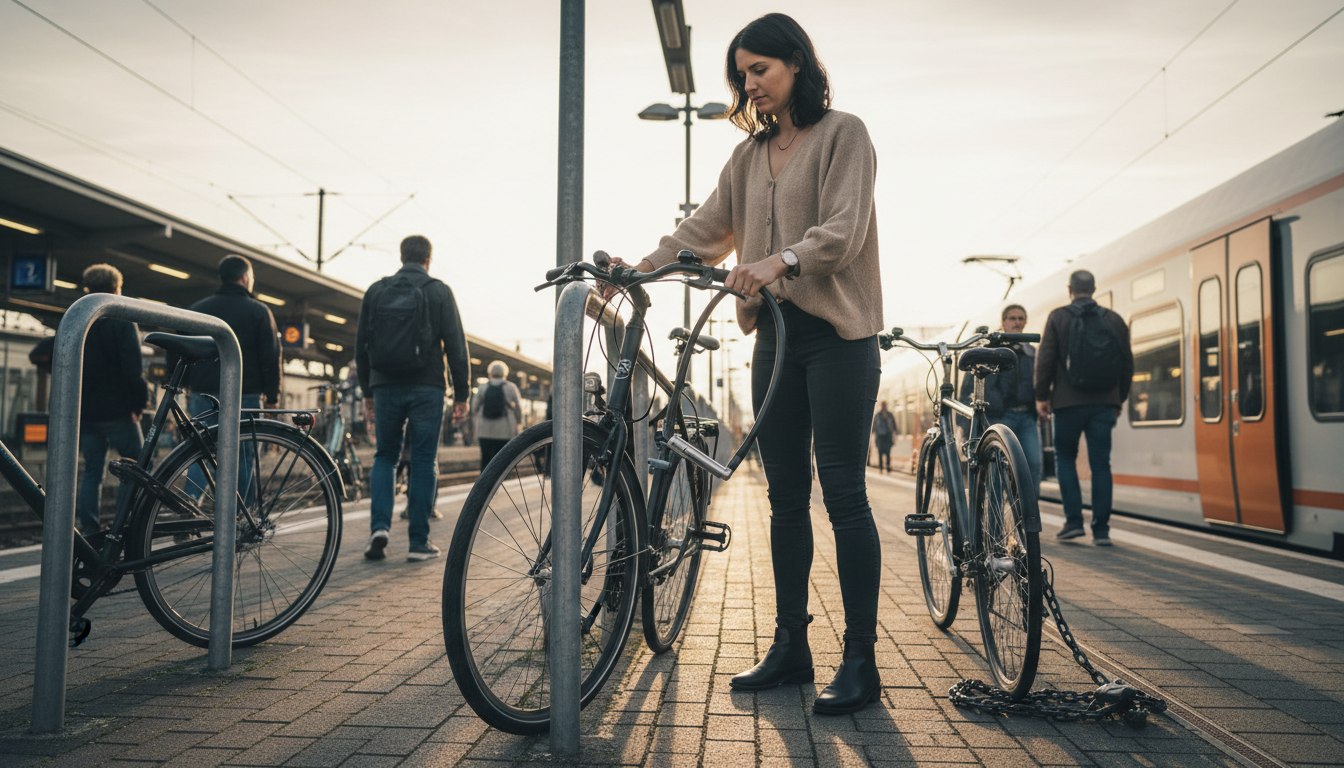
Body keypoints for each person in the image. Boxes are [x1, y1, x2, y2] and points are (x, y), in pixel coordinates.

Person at [614, 13, 883, 714]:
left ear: (797, 63)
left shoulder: (843, 135)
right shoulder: (747, 156)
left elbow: (844, 231)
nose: (749, 84)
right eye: (741, 74)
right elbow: (702, 232)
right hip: (776, 337)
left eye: (759, 68)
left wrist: (777, 260)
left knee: (845, 494)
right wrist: (636, 271)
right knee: (784, 497)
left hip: (839, 336)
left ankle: (861, 660)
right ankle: (792, 646)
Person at [356, 235, 470, 562]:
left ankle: (379, 529)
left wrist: (367, 391)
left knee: (385, 456)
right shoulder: (438, 290)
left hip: (385, 386)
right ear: (428, 259)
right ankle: (418, 542)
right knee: (422, 460)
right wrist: (461, 393)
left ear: (402, 255)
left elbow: (360, 345)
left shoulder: (376, 291)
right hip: (427, 387)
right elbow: (456, 347)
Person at [1035, 270, 1133, 546]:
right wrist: (1119, 398)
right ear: (1094, 288)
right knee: (1101, 465)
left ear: (1070, 289)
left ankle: (1073, 523)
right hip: (1104, 403)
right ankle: (1101, 531)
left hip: (1067, 403)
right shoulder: (1114, 319)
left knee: (1066, 459)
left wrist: (1042, 396)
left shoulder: (1058, 317)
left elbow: (1045, 359)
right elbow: (1127, 363)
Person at [181, 254, 283, 503]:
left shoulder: (198, 310)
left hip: (202, 393)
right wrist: (272, 397)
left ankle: (189, 502)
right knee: (244, 454)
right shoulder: (259, 311)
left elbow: (180, 349)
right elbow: (270, 356)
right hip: (244, 394)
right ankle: (240, 517)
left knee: (201, 451)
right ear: (245, 278)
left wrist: (186, 383)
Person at [71, 265, 149, 535]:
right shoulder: (121, 318)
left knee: (92, 471)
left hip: (86, 410)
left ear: (88, 289)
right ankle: (122, 526)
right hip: (118, 411)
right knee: (134, 465)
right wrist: (138, 404)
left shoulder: (76, 317)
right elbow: (132, 369)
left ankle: (90, 530)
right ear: (117, 289)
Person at [959, 304, 1042, 493]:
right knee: (996, 468)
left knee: (1033, 464)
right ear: (1003, 322)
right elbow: (969, 387)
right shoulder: (990, 351)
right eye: (1012, 318)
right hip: (1000, 417)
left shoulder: (1031, 353)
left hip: (1027, 417)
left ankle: (1028, 516)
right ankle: (994, 516)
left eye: (1021, 318)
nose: (1017, 322)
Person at [471, 360, 522, 469]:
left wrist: (475, 420)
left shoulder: (483, 387)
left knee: (485, 459)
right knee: (499, 461)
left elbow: (474, 406)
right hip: (504, 430)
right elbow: (518, 407)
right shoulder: (510, 387)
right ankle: (497, 484)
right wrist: (519, 423)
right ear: (505, 373)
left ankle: (483, 484)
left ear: (490, 372)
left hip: (484, 430)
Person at [871, 402, 896, 473]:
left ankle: (888, 467)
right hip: (880, 437)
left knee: (888, 452)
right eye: (883, 405)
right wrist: (872, 434)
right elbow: (874, 426)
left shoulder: (890, 415)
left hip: (888, 437)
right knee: (880, 452)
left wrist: (894, 433)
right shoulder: (878, 415)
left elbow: (894, 425)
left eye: (885, 405)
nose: (884, 407)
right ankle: (881, 468)